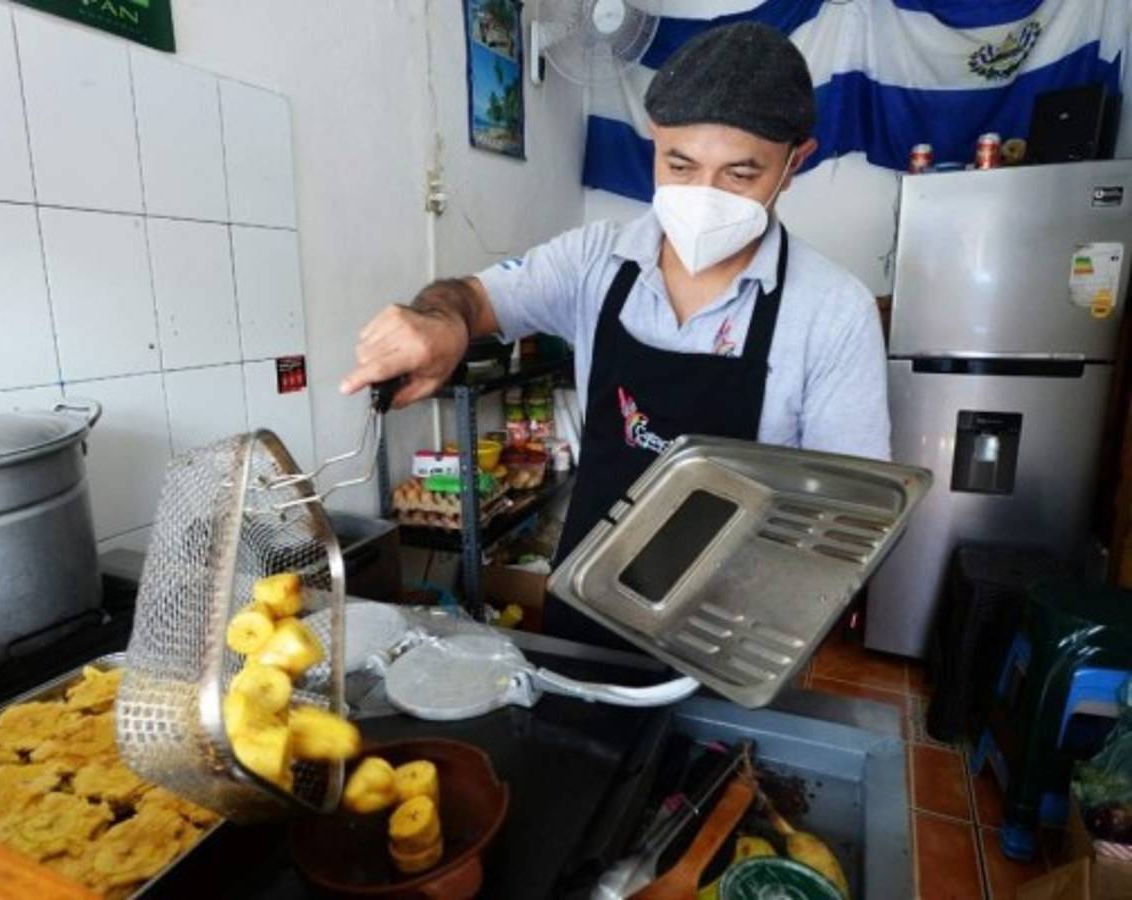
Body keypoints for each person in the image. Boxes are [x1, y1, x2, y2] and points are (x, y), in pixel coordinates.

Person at [342, 22, 890, 647]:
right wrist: (439, 321)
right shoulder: (592, 262)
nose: (703, 196)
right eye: (679, 164)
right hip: (588, 604)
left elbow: (850, 515)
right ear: (653, 142)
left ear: (795, 163)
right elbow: (468, 298)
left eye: (740, 175)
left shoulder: (833, 311)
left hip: (732, 634)